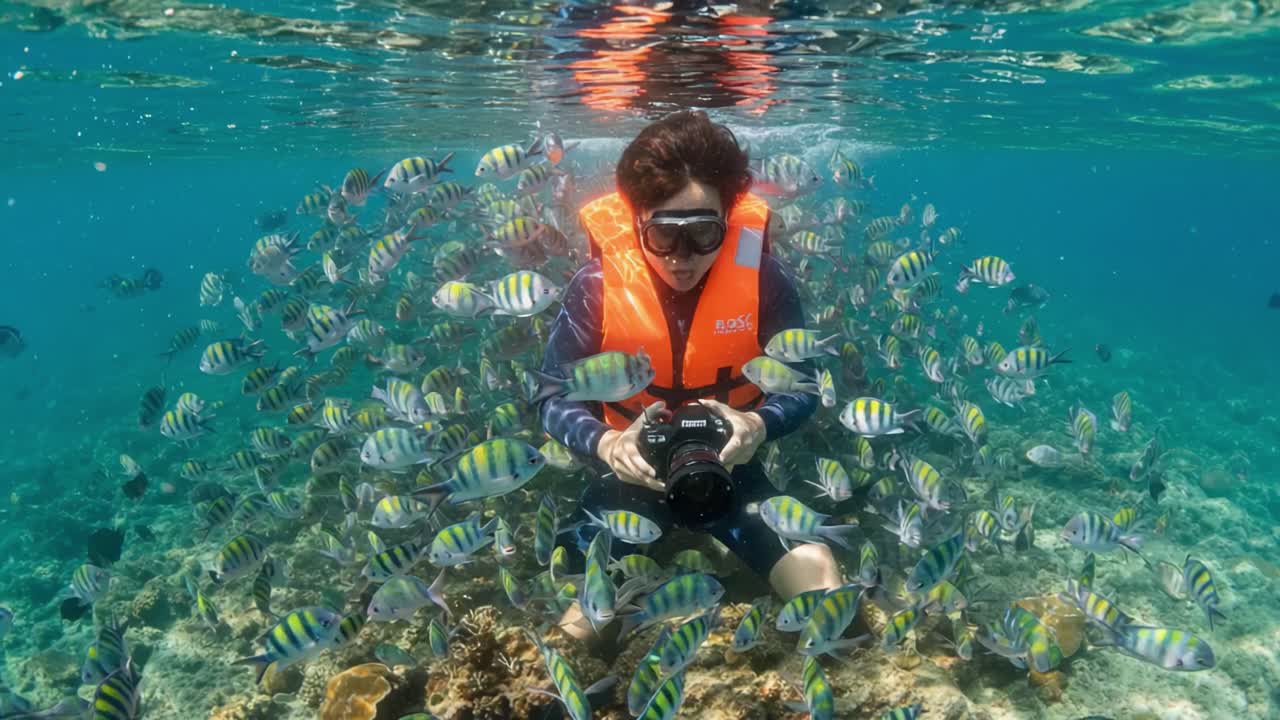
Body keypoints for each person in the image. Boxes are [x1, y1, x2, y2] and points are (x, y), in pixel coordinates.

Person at [537, 110, 841, 642]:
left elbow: (804, 384)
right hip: (630, 479)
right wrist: (608, 444)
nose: (682, 259)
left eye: (703, 233)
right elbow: (549, 396)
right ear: (638, 221)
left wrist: (758, 425)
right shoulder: (596, 285)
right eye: (663, 235)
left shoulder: (763, 279)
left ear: (728, 218)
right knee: (580, 630)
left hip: (730, 470)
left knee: (825, 594)